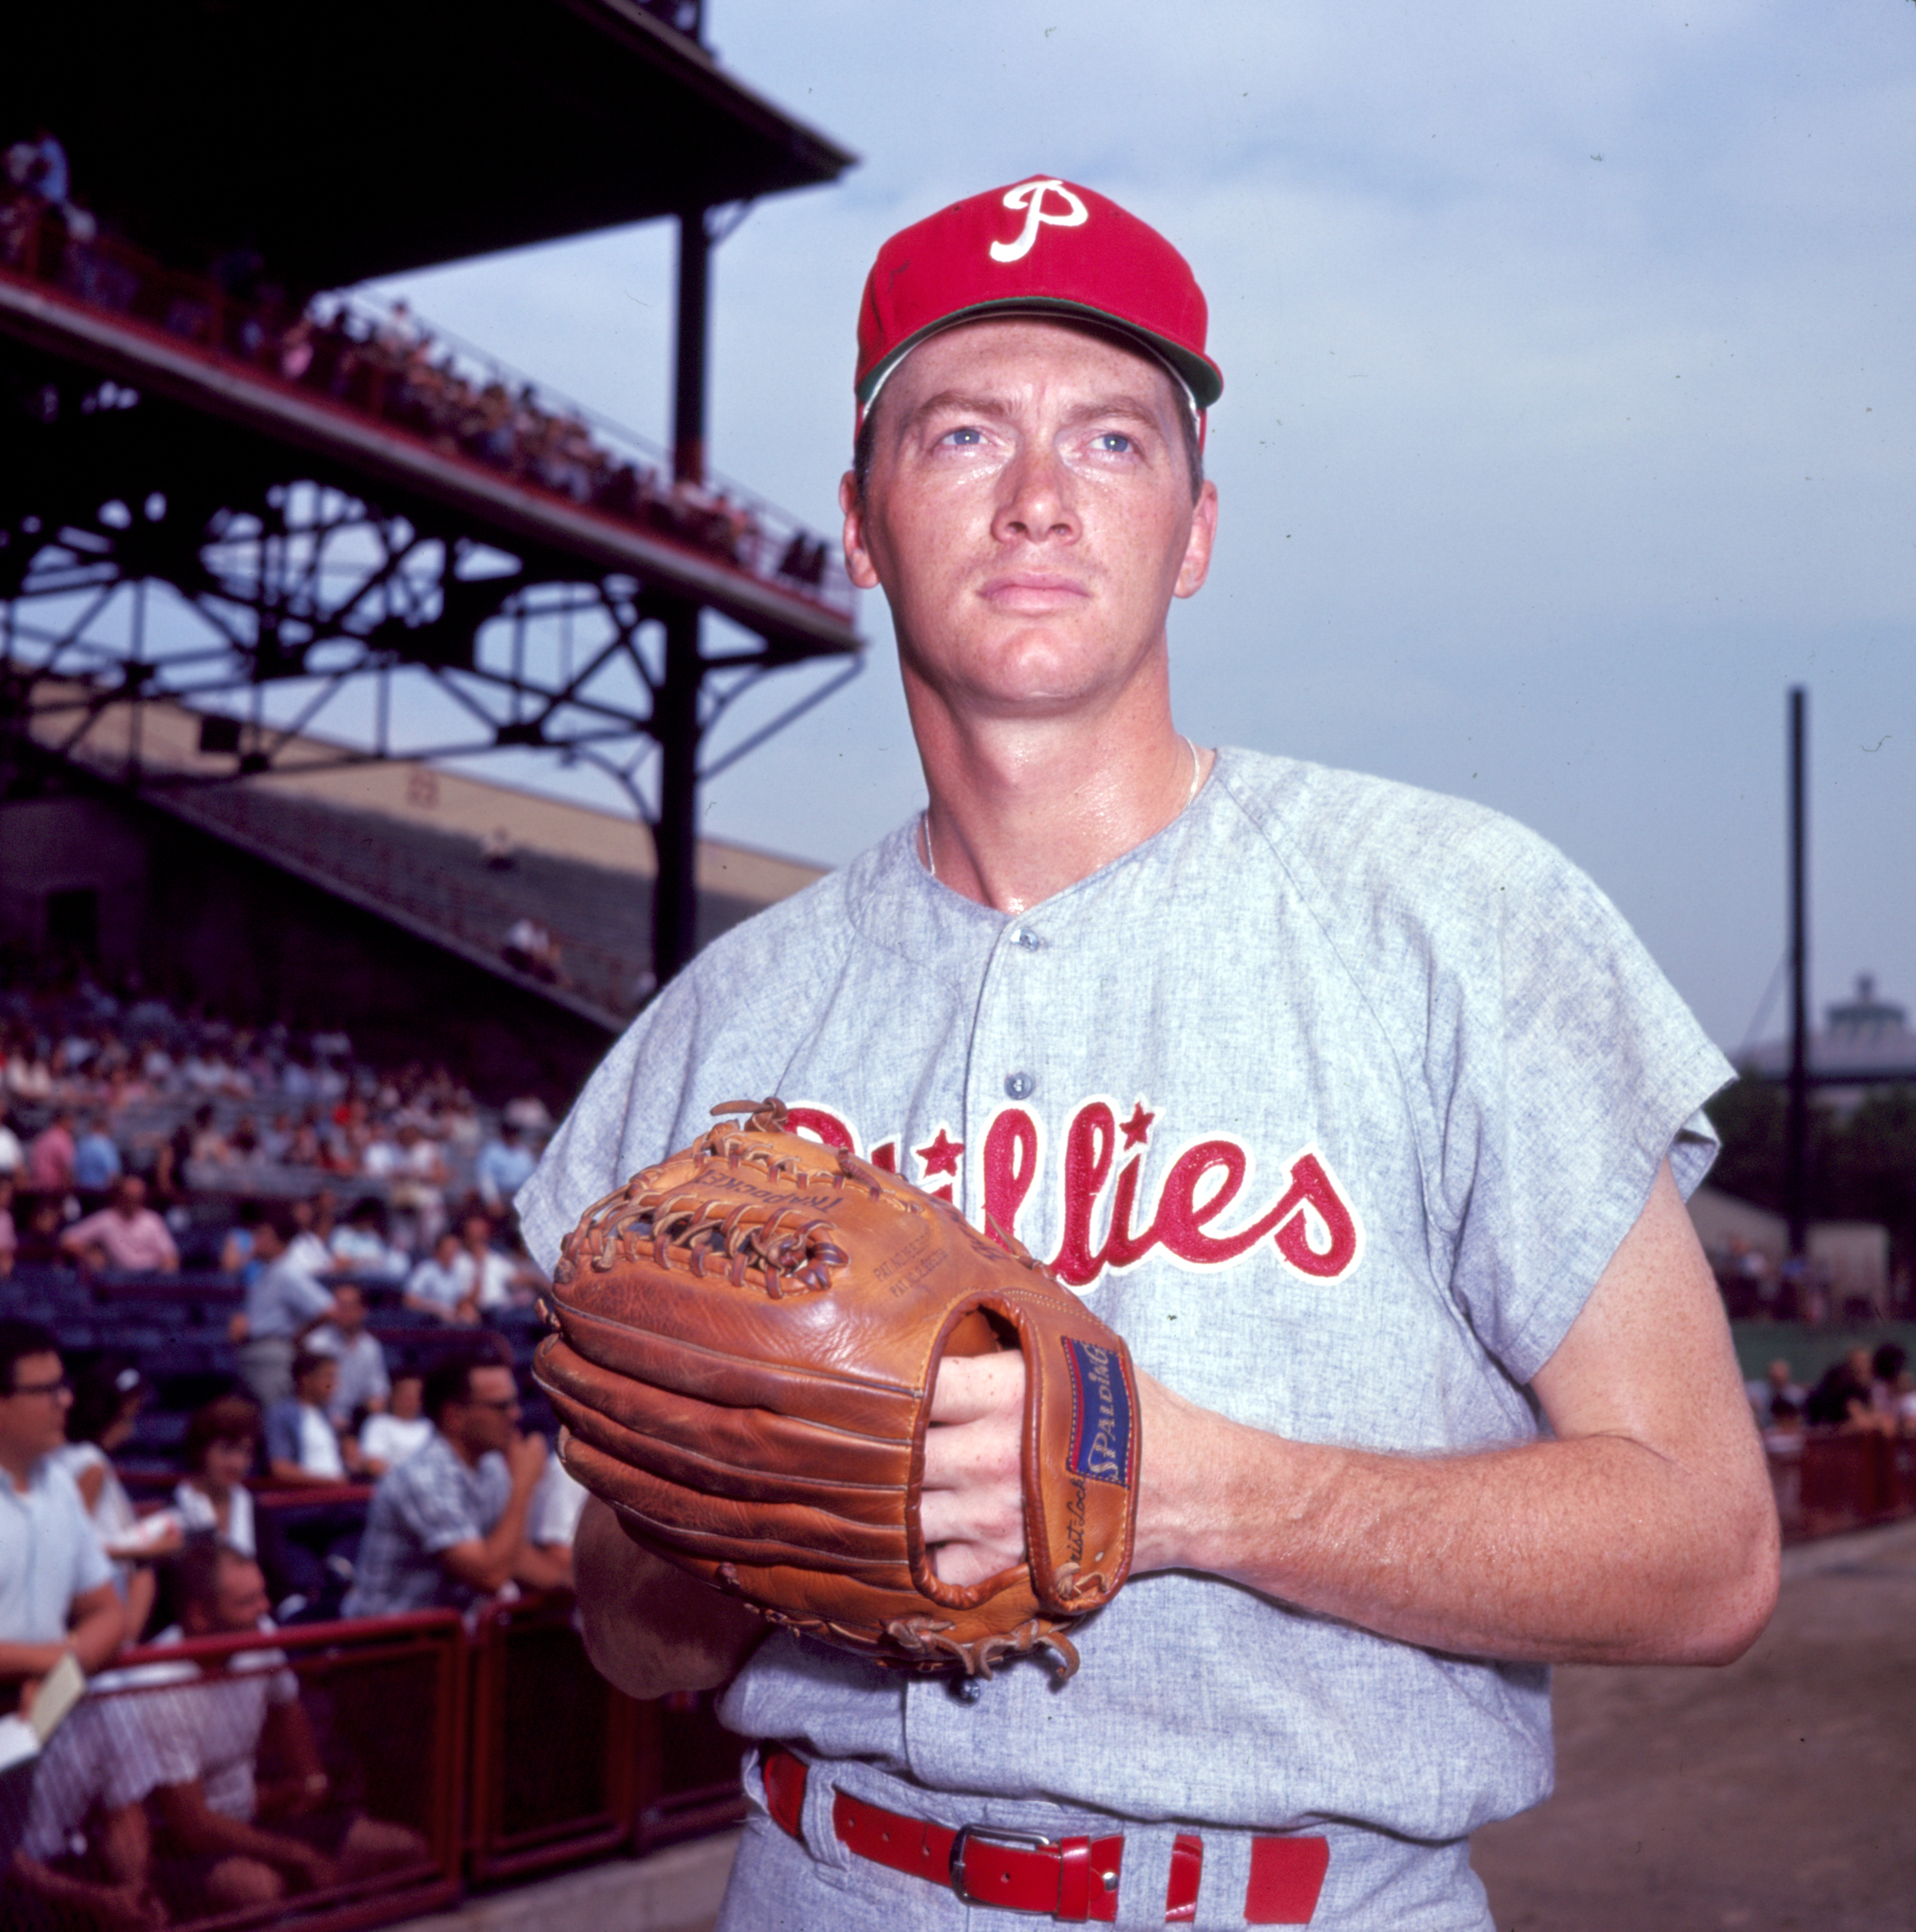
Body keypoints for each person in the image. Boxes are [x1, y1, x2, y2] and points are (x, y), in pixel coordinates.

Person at [516, 177, 1780, 1929]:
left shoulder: (1457, 918)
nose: (1039, 498)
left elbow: (1705, 1551)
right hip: (826, 1884)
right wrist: (748, 1532)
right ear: (863, 526)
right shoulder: (722, 1029)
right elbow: (620, 1626)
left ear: (1195, 529)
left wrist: (1180, 1489)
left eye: (1113, 441)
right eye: (963, 433)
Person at [139, 1538, 424, 1916]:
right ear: (198, 1617)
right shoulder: (157, 1683)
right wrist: (298, 1855)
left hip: (255, 1822)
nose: (265, 1610)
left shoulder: (261, 1632)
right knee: (259, 1891)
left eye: (263, 1596)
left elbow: (287, 1708)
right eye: (247, 1603)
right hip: (179, 1849)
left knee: (403, 1849)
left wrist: (312, 1780)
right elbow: (192, 1826)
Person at [342, 1348, 561, 1618]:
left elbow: (513, 1555)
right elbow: (489, 1574)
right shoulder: (422, 1477)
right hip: (387, 1647)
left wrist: (579, 1588)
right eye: (501, 1406)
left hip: (442, 1642)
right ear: (455, 1416)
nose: (515, 1414)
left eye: (514, 1403)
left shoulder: (489, 1466)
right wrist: (523, 1484)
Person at [0, 1322, 123, 1717]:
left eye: (63, 1386)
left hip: (40, 1713)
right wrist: (52, 1661)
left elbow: (106, 1610)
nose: (66, 1400)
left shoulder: (60, 1487)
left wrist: (62, 1668)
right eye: (46, 1391)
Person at [48, 1358, 181, 1649]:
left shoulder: (66, 1457)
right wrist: (149, 1549)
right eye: (126, 1419)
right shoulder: (90, 1463)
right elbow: (73, 1544)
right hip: (105, 1588)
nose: (130, 1431)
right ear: (104, 1415)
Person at [235, 1206, 340, 1407]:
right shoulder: (266, 1271)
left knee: (273, 1419)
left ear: (279, 1241)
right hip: (253, 1354)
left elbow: (328, 1309)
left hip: (272, 1357)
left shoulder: (288, 1272)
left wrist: (298, 1335)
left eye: (262, 1234)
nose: (255, 1239)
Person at [306, 1284, 390, 1433]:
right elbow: (309, 1394)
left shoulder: (371, 1347)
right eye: (339, 1306)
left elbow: (378, 1392)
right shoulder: (316, 1343)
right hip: (320, 1417)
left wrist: (373, 1409)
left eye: (348, 1306)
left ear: (362, 1311)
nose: (342, 1312)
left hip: (356, 1421)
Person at [57, 1178, 180, 1277]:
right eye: (129, 1197)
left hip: (151, 1278)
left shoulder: (152, 1220)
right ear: (119, 1196)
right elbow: (67, 1239)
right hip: (119, 1279)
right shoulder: (106, 1219)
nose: (133, 1201)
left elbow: (170, 1256)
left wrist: (166, 1275)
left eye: (137, 1197)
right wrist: (89, 1254)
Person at [263, 1355, 347, 1487]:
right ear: (306, 1379)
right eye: (329, 1377)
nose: (334, 1384)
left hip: (338, 1498)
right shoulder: (281, 1414)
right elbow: (280, 1469)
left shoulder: (326, 1415)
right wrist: (329, 1483)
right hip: (306, 1501)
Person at [356, 1372, 430, 1478]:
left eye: (417, 1394)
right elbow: (373, 1465)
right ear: (393, 1396)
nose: (412, 1399)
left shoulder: (430, 1428)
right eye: (407, 1394)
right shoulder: (378, 1423)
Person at [402, 1229, 477, 1325]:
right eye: (450, 1247)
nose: (453, 1251)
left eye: (456, 1248)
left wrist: (467, 1311)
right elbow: (409, 1300)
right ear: (439, 1249)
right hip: (428, 1320)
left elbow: (460, 1301)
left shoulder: (457, 1272)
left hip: (451, 1319)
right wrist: (438, 1310)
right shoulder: (426, 1269)